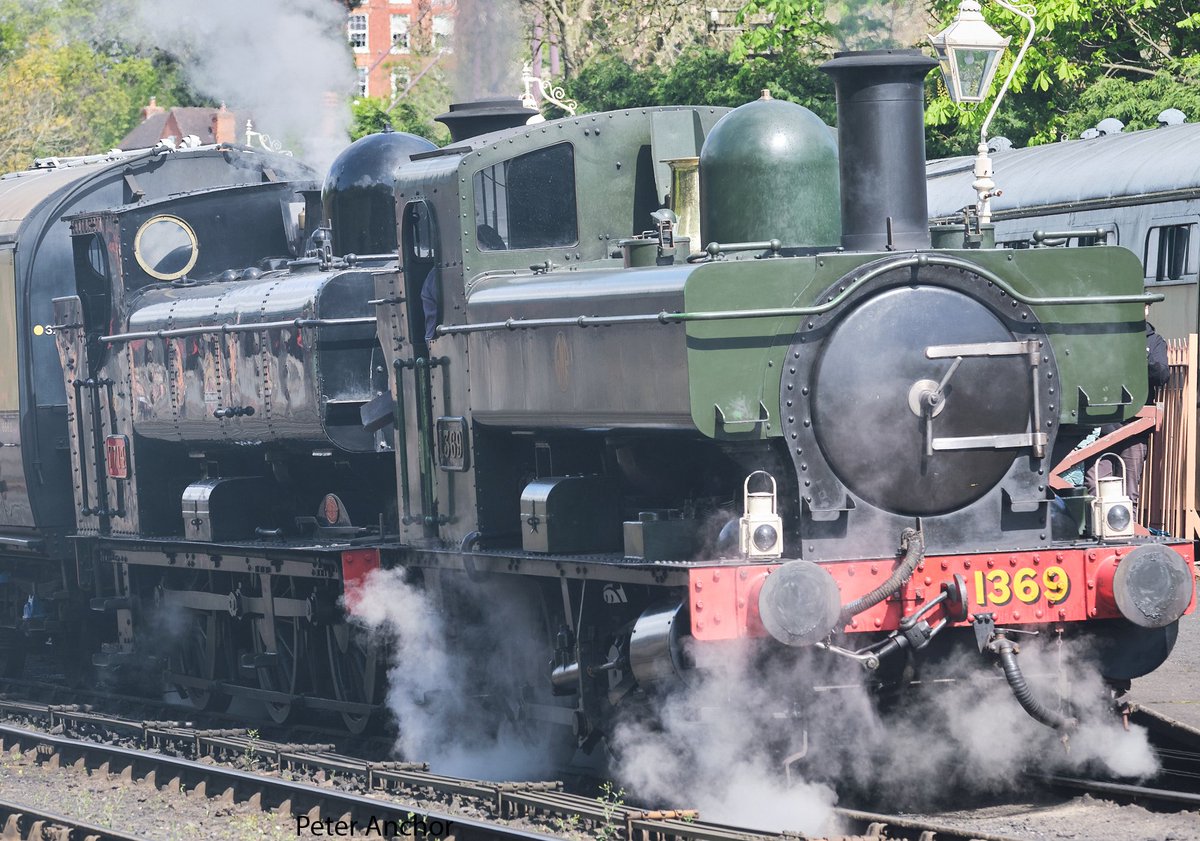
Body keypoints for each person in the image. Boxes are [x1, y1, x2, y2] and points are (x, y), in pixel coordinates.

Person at [1086, 304, 1170, 511]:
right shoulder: (1106, 337)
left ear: (1147, 309)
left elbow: (1161, 376)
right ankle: (1096, 532)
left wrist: (1140, 355)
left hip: (1135, 427)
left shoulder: (1154, 341)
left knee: (1129, 489)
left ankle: (1127, 531)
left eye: (1142, 305)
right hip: (1101, 426)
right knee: (1094, 484)